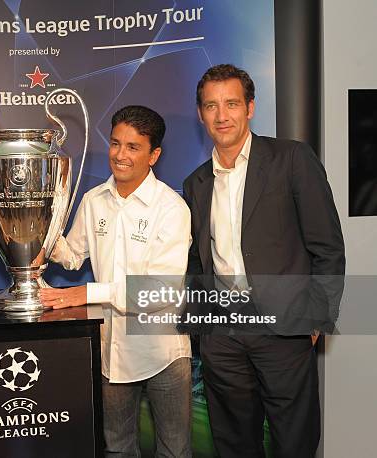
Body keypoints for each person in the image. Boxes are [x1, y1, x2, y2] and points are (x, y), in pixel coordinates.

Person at [183, 64, 345, 457]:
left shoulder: (291, 158)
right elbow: (197, 264)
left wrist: (316, 316)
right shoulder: (196, 182)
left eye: (232, 104)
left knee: (295, 439)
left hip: (284, 329)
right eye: (211, 106)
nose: (222, 115)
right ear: (201, 113)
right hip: (223, 334)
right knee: (234, 442)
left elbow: (327, 246)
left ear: (250, 108)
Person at [40, 106, 193, 457]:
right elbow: (72, 254)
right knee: (118, 449)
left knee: (175, 451)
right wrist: (40, 239)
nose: (120, 155)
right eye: (115, 143)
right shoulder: (94, 201)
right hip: (113, 351)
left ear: (153, 155)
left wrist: (87, 293)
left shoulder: (172, 208)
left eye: (133, 147)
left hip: (163, 353)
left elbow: (161, 288)